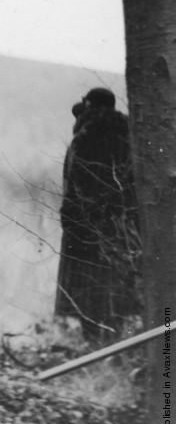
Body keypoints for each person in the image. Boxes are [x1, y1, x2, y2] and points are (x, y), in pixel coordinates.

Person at [56, 87, 140, 341]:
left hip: (83, 227)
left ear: (90, 106)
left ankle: (92, 342)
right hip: (120, 226)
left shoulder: (84, 136)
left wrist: (70, 220)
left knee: (85, 291)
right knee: (114, 288)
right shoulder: (131, 137)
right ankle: (115, 342)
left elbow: (74, 185)